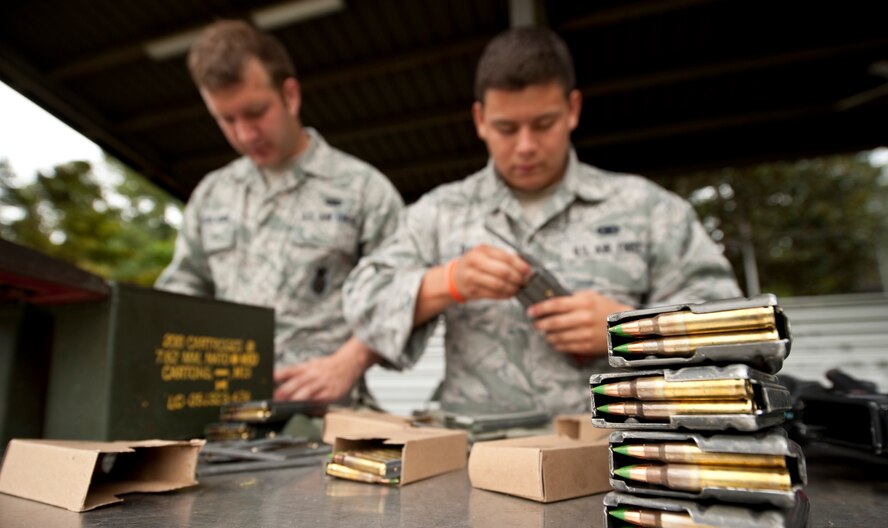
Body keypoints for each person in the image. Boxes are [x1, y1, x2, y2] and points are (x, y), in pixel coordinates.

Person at [342, 26, 741, 417]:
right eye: (506, 128)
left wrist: (627, 331)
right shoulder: (440, 212)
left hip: (611, 453)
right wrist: (447, 282)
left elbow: (730, 329)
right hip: (478, 459)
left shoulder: (647, 209)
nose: (526, 146)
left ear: (573, 109)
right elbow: (361, 301)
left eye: (544, 124)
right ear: (480, 120)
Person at [156, 20, 403, 406]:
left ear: (290, 95)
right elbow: (180, 293)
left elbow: (402, 295)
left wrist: (350, 360)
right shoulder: (211, 195)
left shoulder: (363, 189)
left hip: (328, 419)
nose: (245, 135)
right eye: (227, 119)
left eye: (256, 112)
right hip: (224, 417)